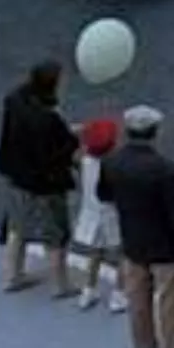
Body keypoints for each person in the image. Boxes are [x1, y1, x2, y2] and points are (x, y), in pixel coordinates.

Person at [98, 106, 174, 348]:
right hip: (165, 245)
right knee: (167, 297)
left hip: (133, 240)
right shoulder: (164, 170)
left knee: (137, 295)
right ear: (155, 132)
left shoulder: (112, 162)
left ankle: (143, 345)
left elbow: (104, 195)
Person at [0, 60, 78, 297]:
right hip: (46, 184)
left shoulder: (14, 100)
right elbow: (60, 149)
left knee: (17, 226)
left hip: (17, 175)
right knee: (55, 234)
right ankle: (61, 285)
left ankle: (13, 276)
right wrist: (71, 136)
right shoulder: (48, 119)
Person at [72, 116, 127, 314]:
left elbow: (73, 150)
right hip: (113, 215)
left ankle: (89, 290)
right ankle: (119, 294)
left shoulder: (83, 162)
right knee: (122, 255)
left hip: (91, 213)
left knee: (95, 253)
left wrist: (81, 132)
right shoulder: (116, 165)